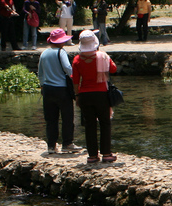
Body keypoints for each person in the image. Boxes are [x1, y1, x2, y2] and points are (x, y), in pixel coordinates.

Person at [71, 30, 117, 163]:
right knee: (105, 123)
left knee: (90, 125)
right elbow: (113, 69)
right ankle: (107, 153)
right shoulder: (102, 56)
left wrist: (77, 95)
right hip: (101, 93)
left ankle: (92, 155)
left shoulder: (77, 60)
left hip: (85, 95)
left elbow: (75, 81)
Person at [38, 28, 80, 154]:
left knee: (51, 119)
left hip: (47, 89)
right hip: (62, 89)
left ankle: (51, 145)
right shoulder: (61, 52)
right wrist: (75, 78)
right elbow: (68, 68)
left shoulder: (43, 53)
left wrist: (42, 86)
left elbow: (40, 73)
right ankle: (67, 143)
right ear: (60, 41)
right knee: (67, 117)